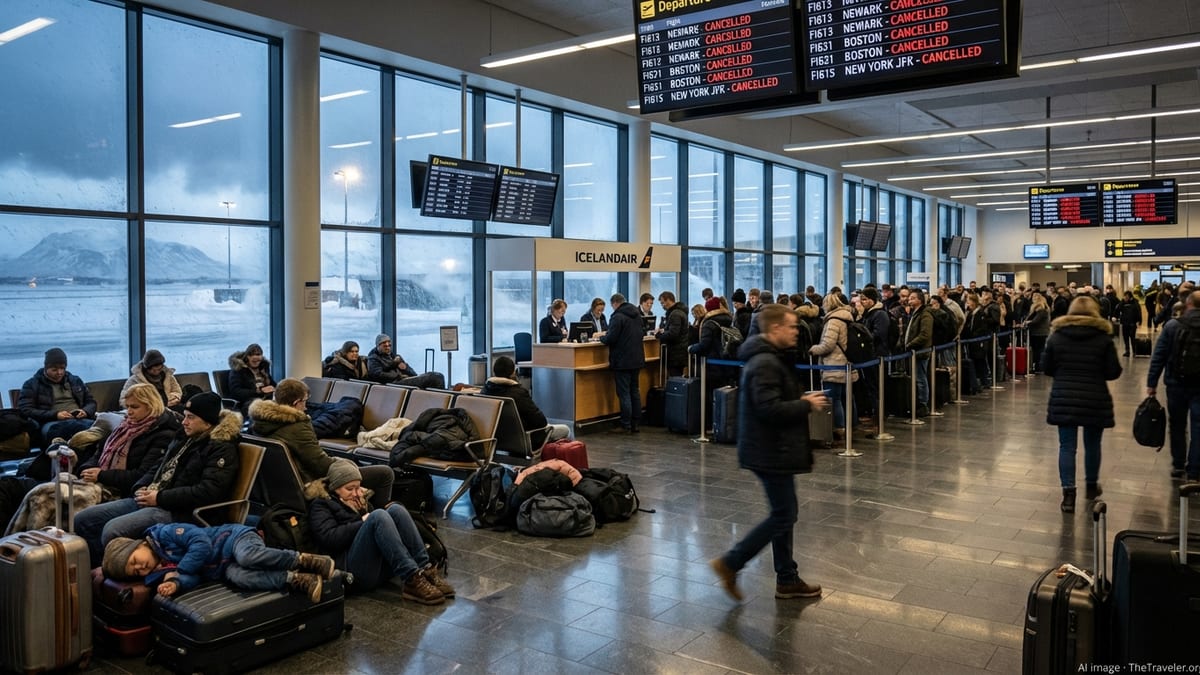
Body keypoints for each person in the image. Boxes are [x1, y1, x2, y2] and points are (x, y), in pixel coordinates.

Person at [710, 304, 828, 602]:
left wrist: (797, 398)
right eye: (791, 326)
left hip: (774, 447)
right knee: (784, 514)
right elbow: (768, 408)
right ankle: (731, 562)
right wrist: (805, 405)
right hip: (769, 449)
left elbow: (770, 399)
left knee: (784, 513)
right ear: (775, 329)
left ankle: (787, 577)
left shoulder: (770, 358)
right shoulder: (764, 362)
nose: (796, 331)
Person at [75, 392, 241, 567]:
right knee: (84, 519)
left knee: (113, 530)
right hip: (153, 497)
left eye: (191, 417)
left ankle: (117, 574)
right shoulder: (184, 437)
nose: (184, 422)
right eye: (184, 416)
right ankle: (98, 568)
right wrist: (141, 486)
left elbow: (208, 491)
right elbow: (158, 466)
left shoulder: (221, 448)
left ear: (208, 422)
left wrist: (159, 497)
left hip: (179, 510)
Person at [308, 459, 453, 603]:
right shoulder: (321, 505)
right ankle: (411, 578)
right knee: (378, 515)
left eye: (358, 487)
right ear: (335, 488)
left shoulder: (359, 499)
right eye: (350, 489)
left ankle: (424, 569)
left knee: (396, 509)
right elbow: (329, 538)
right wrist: (362, 521)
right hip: (351, 571)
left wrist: (363, 511)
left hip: (376, 565)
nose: (357, 493)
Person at [248, 378, 394, 507]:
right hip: (310, 484)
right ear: (296, 403)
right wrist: (346, 463)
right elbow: (321, 466)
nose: (306, 407)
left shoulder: (258, 424)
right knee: (385, 473)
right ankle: (373, 514)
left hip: (279, 489)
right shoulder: (297, 426)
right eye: (305, 401)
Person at [102, 523, 337, 603]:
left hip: (233, 538)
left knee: (248, 557)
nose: (140, 567)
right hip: (224, 568)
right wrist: (176, 583)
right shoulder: (159, 572)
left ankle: (302, 559)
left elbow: (201, 543)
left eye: (135, 560)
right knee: (240, 577)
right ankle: (297, 579)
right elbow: (193, 577)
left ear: (139, 545)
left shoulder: (165, 534)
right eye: (134, 571)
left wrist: (180, 569)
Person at [1041, 296, 1122, 513]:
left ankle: (1068, 495)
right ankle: (1091, 485)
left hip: (1064, 396)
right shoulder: (1103, 338)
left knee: (1067, 447)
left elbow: (1046, 367)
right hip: (1094, 397)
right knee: (1092, 445)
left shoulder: (1057, 336)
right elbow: (1113, 371)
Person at [76, 383, 181, 498]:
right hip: (103, 480)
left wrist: (101, 475)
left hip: (125, 490)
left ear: (151, 406)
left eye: (135, 407)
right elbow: (99, 453)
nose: (129, 412)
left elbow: (142, 475)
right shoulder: (125, 426)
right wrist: (87, 469)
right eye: (127, 407)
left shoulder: (163, 435)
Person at [1147, 290, 1200, 481]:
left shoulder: (1172, 326)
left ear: (1188, 305)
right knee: (1198, 426)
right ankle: (1194, 470)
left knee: (1177, 425)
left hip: (1176, 383)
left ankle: (1178, 465)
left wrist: (1151, 383)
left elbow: (1159, 356)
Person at [18, 347, 97, 448]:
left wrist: (85, 411)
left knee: (98, 428)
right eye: (54, 369)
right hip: (51, 423)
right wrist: (55, 415)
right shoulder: (32, 384)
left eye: (62, 368)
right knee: (61, 432)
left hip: (78, 420)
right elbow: (25, 410)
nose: (59, 372)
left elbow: (91, 402)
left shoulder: (75, 381)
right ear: (46, 368)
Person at [480, 357, 571, 443]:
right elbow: (540, 422)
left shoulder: (485, 391)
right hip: (526, 439)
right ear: (513, 373)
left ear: (494, 371)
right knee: (566, 429)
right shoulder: (518, 393)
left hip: (498, 439)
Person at [809, 293, 859, 438]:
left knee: (834, 398)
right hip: (848, 363)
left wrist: (813, 349)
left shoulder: (833, 321)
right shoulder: (848, 317)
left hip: (834, 364)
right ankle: (853, 424)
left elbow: (828, 345)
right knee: (848, 397)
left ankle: (839, 428)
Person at [599, 293, 645, 434]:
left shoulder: (617, 317)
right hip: (637, 358)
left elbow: (611, 337)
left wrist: (602, 338)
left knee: (624, 393)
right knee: (634, 391)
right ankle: (635, 423)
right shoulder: (637, 315)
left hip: (622, 360)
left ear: (615, 303)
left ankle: (625, 424)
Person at [365, 334, 445, 389]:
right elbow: (377, 375)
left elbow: (413, 373)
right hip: (394, 383)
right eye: (385, 346)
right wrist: (397, 375)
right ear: (378, 346)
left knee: (437, 375)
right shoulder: (373, 359)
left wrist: (405, 368)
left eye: (389, 345)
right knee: (434, 378)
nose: (388, 348)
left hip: (404, 379)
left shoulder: (395, 357)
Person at [903, 290, 934, 416]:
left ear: (920, 300)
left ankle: (923, 404)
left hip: (921, 351)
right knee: (918, 377)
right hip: (915, 351)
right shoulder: (915, 313)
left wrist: (910, 344)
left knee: (921, 378)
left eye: (912, 298)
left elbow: (925, 334)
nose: (909, 300)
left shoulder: (925, 314)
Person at [227, 343, 275, 412]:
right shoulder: (238, 370)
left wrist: (279, 389)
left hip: (266, 399)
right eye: (251, 355)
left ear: (261, 356)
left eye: (258, 354)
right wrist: (257, 391)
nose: (255, 357)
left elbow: (272, 383)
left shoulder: (263, 367)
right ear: (247, 357)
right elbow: (236, 392)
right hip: (248, 402)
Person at [655, 291, 690, 378]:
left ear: (669, 301)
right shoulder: (681, 312)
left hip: (675, 353)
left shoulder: (674, 314)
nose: (662, 306)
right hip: (680, 351)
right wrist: (665, 330)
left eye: (663, 303)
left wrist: (659, 335)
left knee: (675, 378)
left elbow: (673, 334)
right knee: (677, 379)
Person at [1024, 292, 1051, 373]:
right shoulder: (1044, 309)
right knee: (1039, 350)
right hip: (1042, 333)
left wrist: (1027, 322)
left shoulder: (1041, 310)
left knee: (1038, 351)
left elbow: (1036, 321)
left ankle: (1038, 367)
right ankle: (1038, 367)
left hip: (1038, 333)